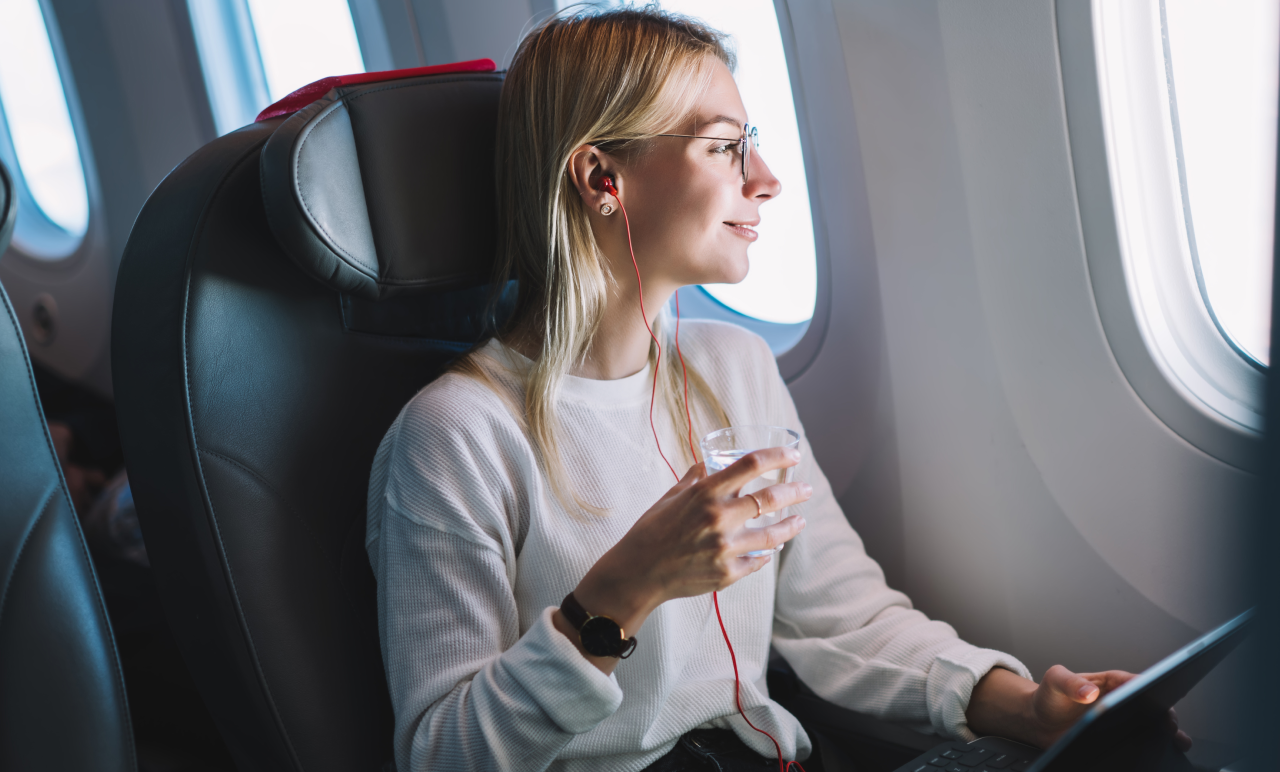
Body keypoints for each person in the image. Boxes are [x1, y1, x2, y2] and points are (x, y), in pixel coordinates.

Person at [365, 8, 1189, 771]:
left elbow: (843, 622)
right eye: (725, 147)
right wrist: (622, 591)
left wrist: (1027, 710)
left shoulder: (735, 370)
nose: (764, 179)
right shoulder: (454, 436)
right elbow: (443, 753)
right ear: (601, 179)